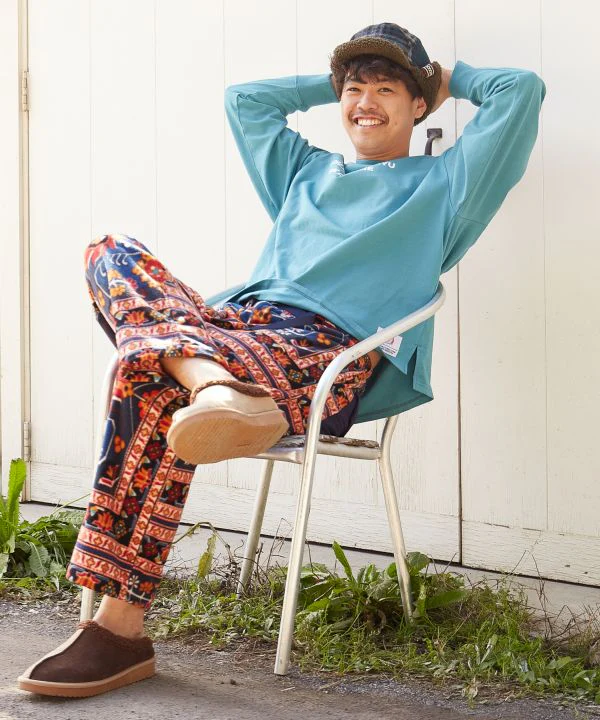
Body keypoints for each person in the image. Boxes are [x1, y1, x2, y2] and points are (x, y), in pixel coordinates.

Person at [17, 22, 545, 697]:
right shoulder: (307, 172)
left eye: (387, 89)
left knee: (143, 378)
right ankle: (213, 386)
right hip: (239, 332)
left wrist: (447, 81)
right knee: (108, 251)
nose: (365, 102)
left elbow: (522, 91)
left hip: (327, 351)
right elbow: (245, 101)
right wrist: (334, 88)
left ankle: (118, 630)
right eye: (354, 89)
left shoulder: (447, 184)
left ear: (419, 105)